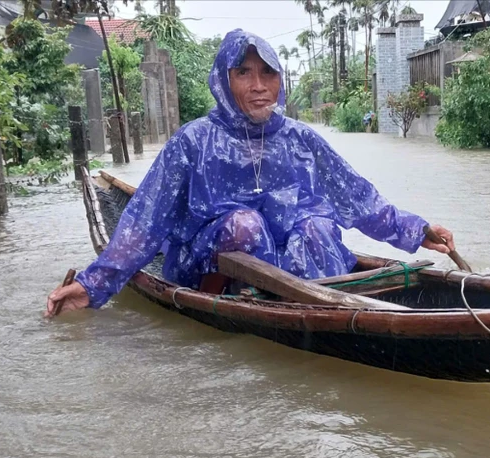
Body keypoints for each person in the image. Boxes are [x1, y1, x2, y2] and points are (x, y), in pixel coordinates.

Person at [45, 29, 455, 318]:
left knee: (318, 227)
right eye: (244, 73)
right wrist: (92, 285)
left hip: (294, 265)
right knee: (246, 224)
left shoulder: (300, 139)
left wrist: (418, 231)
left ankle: (313, 307)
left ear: (280, 80)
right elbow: (145, 220)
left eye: (267, 74)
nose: (259, 86)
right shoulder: (194, 140)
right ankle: (234, 308)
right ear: (224, 81)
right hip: (208, 264)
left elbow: (356, 197)